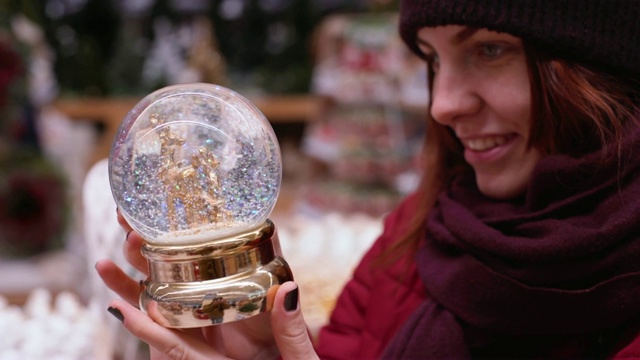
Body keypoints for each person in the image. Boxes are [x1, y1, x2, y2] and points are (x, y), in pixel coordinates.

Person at [96, 0, 640, 358]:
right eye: (431, 60)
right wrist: (268, 351)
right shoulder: (419, 232)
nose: (444, 104)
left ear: (595, 66)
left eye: (489, 50)